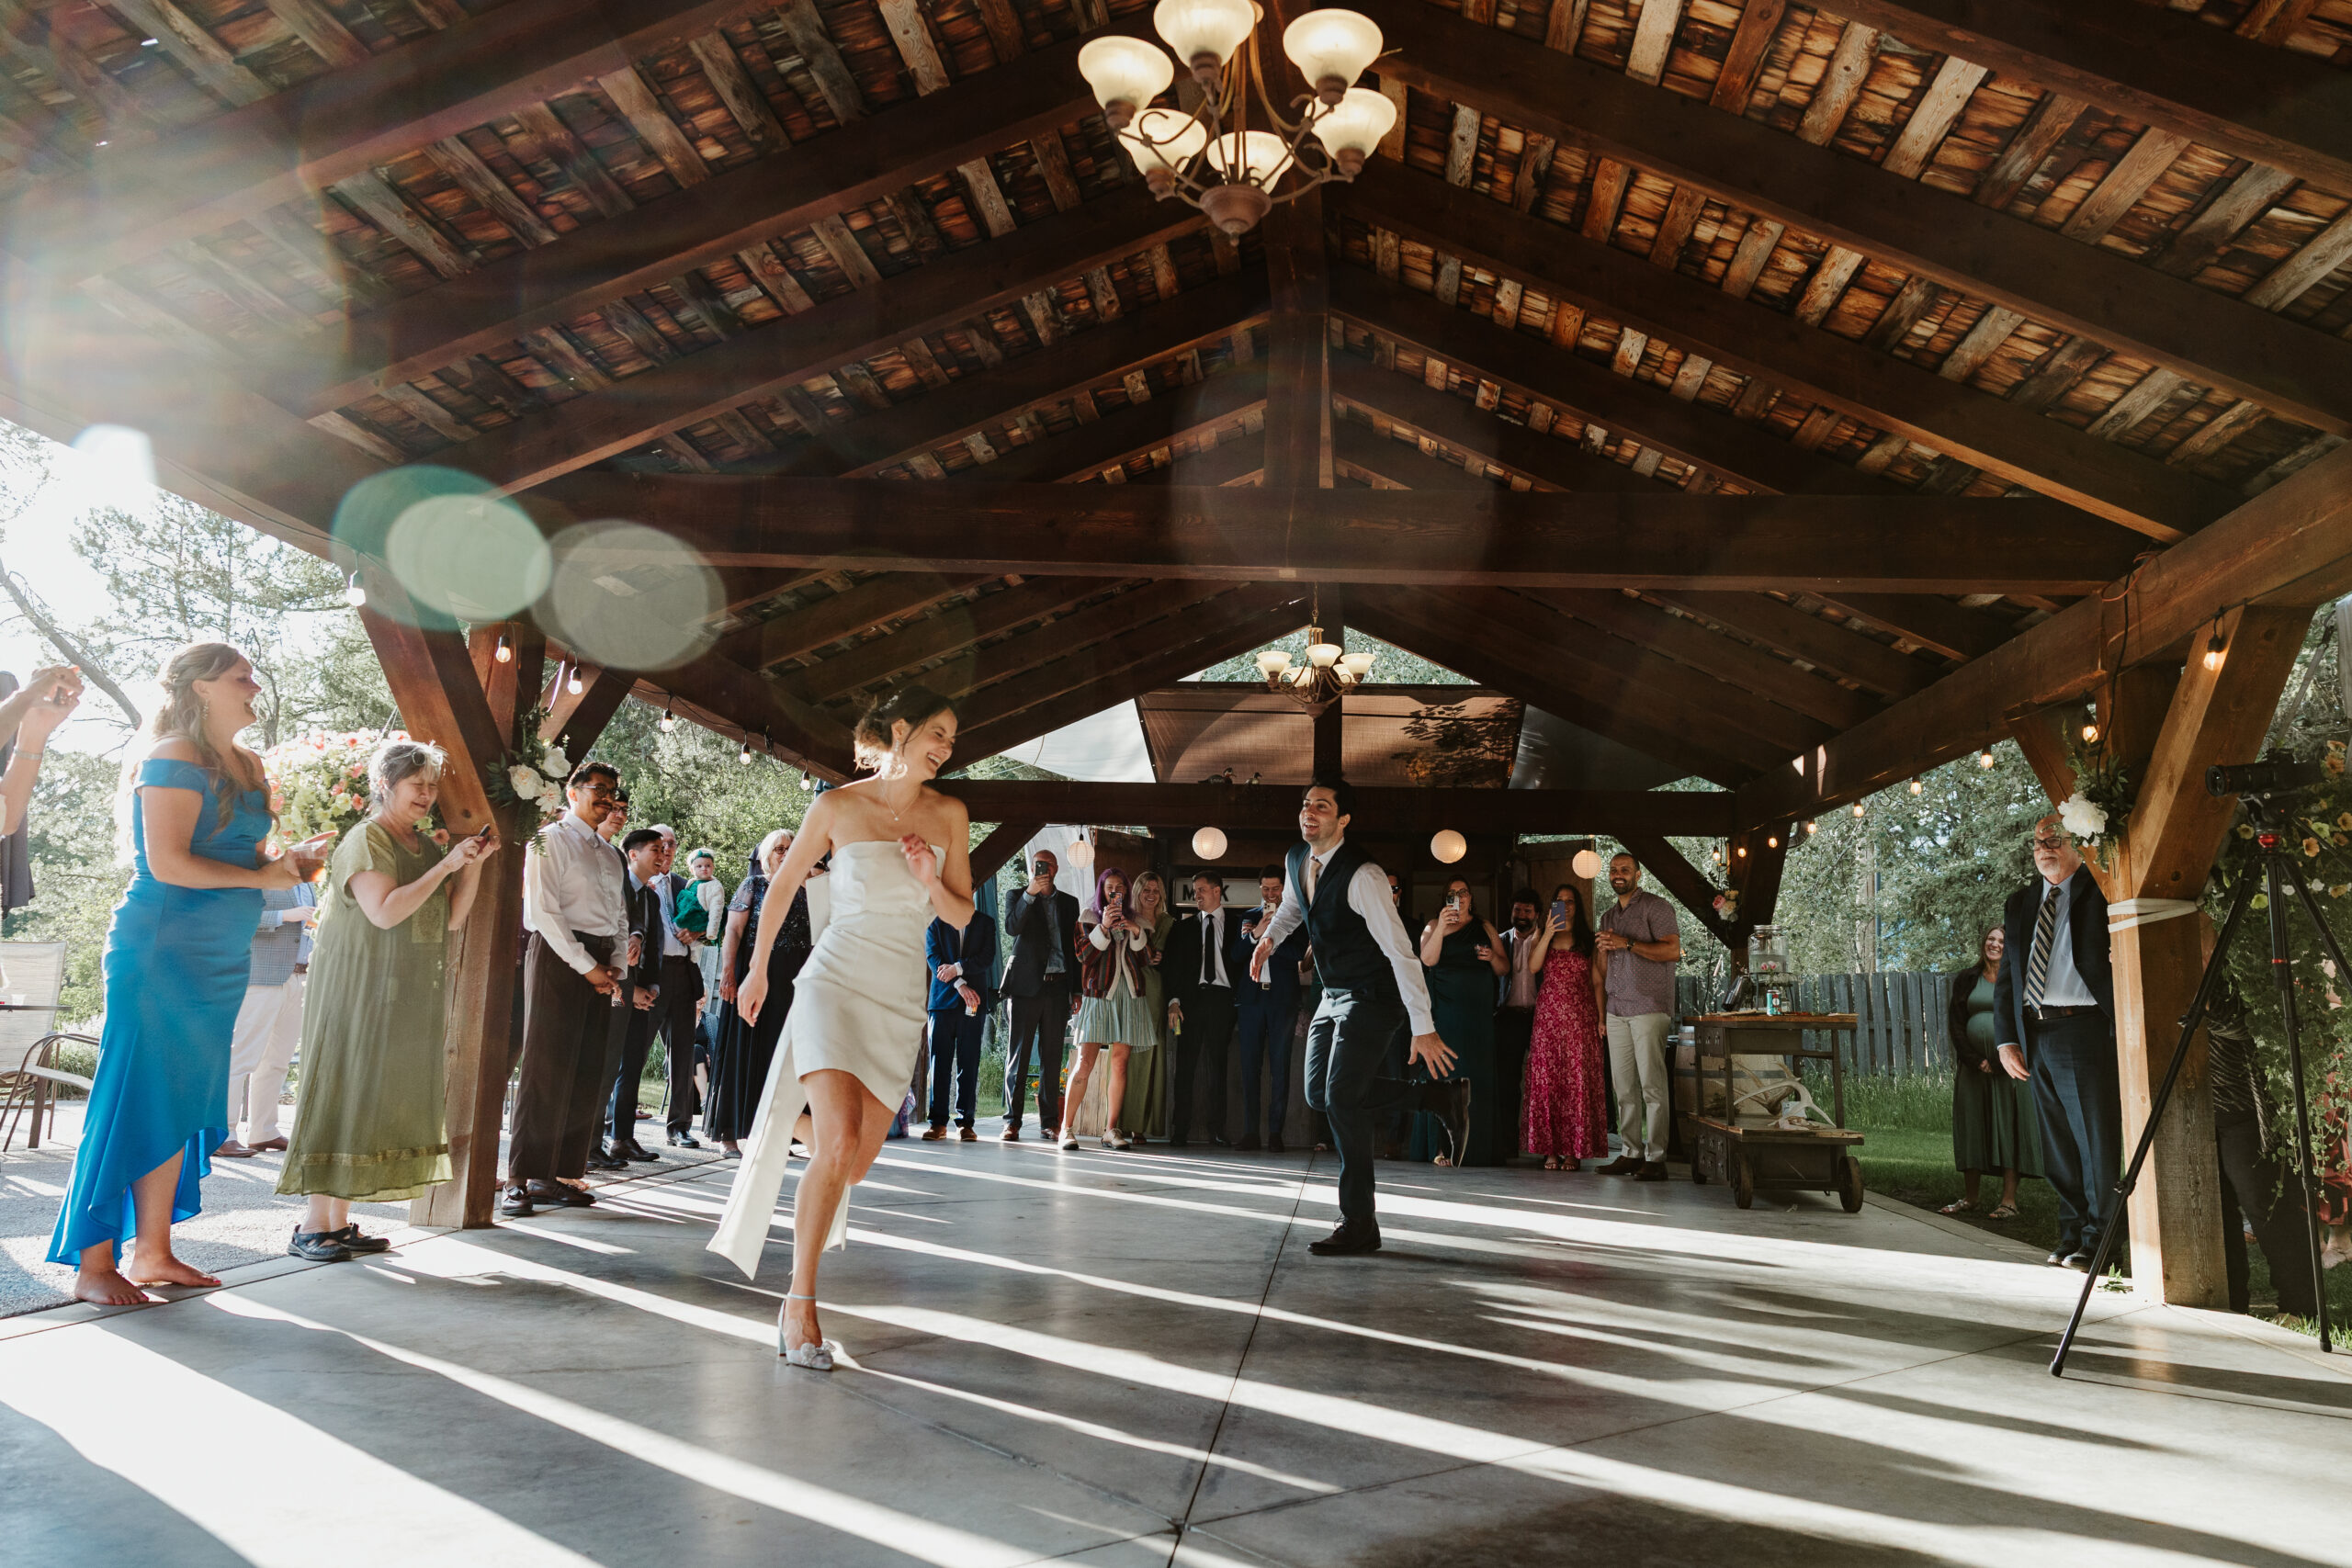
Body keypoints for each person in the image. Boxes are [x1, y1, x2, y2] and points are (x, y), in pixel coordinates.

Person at [47, 644, 332, 1304]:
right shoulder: (173, 754)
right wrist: (263, 878)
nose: (254, 685)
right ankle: (94, 1263)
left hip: (222, 954)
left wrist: (286, 864)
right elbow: (170, 863)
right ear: (202, 687)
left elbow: (246, 858)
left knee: (179, 1098)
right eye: (240, 677)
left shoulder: (248, 763)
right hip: (161, 948)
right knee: (132, 1096)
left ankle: (153, 1252)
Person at [709, 684, 975, 1371]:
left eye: (952, 739)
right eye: (937, 733)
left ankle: (786, 1125)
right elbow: (783, 884)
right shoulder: (837, 805)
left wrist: (929, 876)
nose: (946, 748)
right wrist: (757, 970)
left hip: (899, 995)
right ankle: (799, 1303)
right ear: (901, 729)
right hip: (833, 976)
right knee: (838, 1147)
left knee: (851, 1160)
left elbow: (962, 915)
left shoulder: (949, 814)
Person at [277, 739, 498, 1259]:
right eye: (416, 785)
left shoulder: (422, 845)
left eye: (432, 786)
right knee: (345, 1087)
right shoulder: (366, 838)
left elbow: (450, 920)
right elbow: (384, 912)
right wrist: (447, 867)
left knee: (374, 1094)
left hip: (401, 984)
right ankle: (312, 1227)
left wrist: (472, 864)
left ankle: (338, 1224)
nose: (427, 794)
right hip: (356, 983)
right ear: (385, 785)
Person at [1251, 779, 1466, 1256]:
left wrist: (1423, 1026)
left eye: (1322, 807)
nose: (1309, 812)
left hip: (1374, 995)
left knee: (1343, 1100)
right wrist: (1270, 939)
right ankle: (1435, 1096)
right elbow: (1293, 908)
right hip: (1332, 994)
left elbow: (1402, 953)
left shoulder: (1364, 875)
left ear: (1343, 819)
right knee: (1319, 1094)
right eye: (1305, 805)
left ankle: (1359, 1223)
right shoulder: (1296, 858)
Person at [505, 761, 628, 1218]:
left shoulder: (611, 854)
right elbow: (542, 911)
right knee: (545, 1066)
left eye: (613, 792)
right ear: (572, 792)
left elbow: (619, 916)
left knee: (585, 1068)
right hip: (559, 955)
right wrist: (586, 966)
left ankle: (554, 1175)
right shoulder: (549, 840)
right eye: (599, 789)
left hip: (601, 961)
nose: (607, 799)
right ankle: (519, 1179)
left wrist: (615, 966)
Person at [1994, 814, 2117, 1271]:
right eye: (2037, 842)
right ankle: (2071, 1235)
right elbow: (2009, 976)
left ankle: (2101, 1242)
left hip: (2084, 1030)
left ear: (2078, 845)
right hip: (2035, 1033)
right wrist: (2006, 1039)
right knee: (2057, 1146)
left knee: (2094, 1141)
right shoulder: (2021, 902)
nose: (2044, 848)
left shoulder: (2101, 890)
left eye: (2054, 839)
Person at [2200, 919, 2321, 1319]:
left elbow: (2243, 1025)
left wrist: (2200, 991)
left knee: (2268, 1210)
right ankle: (2231, 1301)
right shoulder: (2160, 966)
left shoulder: (2240, 966)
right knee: (2215, 1216)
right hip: (2190, 1111)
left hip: (2244, 1111)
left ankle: (2300, 1305)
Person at [705, 830, 812, 1158]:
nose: (785, 853)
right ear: (766, 855)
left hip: (793, 984)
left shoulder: (809, 889)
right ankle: (729, 1136)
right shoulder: (754, 885)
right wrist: (728, 973)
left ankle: (778, 1134)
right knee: (743, 1052)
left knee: (781, 1058)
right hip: (754, 978)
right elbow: (733, 930)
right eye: (779, 848)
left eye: (791, 848)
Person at [1942, 922, 2040, 1221]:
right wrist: (1976, 1060)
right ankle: (1971, 1198)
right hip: (1973, 1069)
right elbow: (1956, 1023)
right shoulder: (1968, 978)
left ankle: (2008, 1201)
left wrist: (1999, 1061)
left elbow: (2027, 1021)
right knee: (1973, 1126)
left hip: (2009, 1067)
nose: (1994, 944)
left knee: (2009, 1127)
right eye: (1990, 939)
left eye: (2001, 940)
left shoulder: (2019, 979)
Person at [1595, 852, 1681, 1181]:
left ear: (1638, 875)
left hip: (1649, 1007)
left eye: (1625, 870)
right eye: (1613, 870)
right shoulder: (1607, 916)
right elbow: (1603, 969)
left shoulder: (1656, 907)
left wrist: (1627, 943)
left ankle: (1656, 1158)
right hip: (1616, 1009)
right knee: (1623, 1087)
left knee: (1652, 1086)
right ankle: (1631, 1153)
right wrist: (1603, 951)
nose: (1618, 874)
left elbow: (1672, 950)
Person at [215, 881, 317, 1158]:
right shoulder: (260, 871)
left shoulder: (309, 882)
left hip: (300, 978)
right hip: (261, 979)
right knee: (241, 1057)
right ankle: (223, 1135)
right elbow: (236, 915)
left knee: (277, 1061)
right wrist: (285, 915)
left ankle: (264, 1131)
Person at [1415, 876, 1509, 1167]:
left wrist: (1491, 957)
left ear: (1471, 897)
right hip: (1446, 1011)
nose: (1459, 897)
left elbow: (1504, 968)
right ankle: (1441, 1148)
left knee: (1476, 1075)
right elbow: (1427, 960)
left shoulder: (1485, 926)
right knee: (1445, 1072)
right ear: (1445, 898)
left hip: (1478, 1015)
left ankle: (1477, 1148)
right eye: (1453, 893)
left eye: (1463, 892)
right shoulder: (1434, 925)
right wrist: (1442, 928)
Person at [1062, 864, 1156, 1151]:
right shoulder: (1088, 918)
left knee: (1120, 1063)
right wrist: (1103, 927)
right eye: (1109, 887)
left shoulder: (1136, 920)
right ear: (1102, 891)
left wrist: (1136, 931)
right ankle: (1066, 1128)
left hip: (1130, 996)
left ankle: (1110, 1129)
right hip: (1098, 995)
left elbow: (1147, 959)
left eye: (1120, 887)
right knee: (1084, 1063)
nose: (1115, 892)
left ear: (1126, 891)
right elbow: (1084, 956)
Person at [1524, 883, 1608, 1171]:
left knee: (1576, 1081)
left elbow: (1597, 981)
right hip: (1548, 1018)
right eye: (1559, 900)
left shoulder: (1587, 939)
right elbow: (1533, 967)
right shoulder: (1542, 934)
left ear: (1578, 906)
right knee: (1548, 1080)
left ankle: (1574, 1151)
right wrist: (1548, 932)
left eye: (1570, 901)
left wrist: (1601, 1018)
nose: (1565, 905)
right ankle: (1550, 1150)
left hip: (1580, 1017)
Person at [1162, 871, 1248, 1146]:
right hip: (1190, 1002)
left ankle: (1217, 1130)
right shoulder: (1182, 928)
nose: (1195, 895)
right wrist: (1174, 1001)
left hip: (1224, 1001)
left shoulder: (1238, 925)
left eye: (1201, 889)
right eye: (1194, 890)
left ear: (1217, 891)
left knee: (1218, 1067)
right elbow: (1172, 967)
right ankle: (1180, 1129)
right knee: (1184, 1067)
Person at [1000, 848, 1080, 1140]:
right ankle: (1012, 1122)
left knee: (1052, 1057)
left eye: (1047, 865)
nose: (1042, 869)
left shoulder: (1069, 903)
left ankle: (1049, 1122)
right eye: (1037, 865)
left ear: (1055, 869)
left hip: (1058, 987)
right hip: (1024, 988)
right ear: (1031, 869)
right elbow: (1012, 928)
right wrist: (1030, 895)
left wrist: (1077, 990)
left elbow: (1073, 948)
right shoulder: (1016, 895)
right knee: (1018, 1056)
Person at [604, 829, 669, 1164]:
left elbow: (654, 946)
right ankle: (591, 1143)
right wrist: (631, 991)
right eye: (655, 849)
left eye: (664, 848)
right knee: (608, 1062)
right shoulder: (618, 887)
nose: (663, 854)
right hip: (616, 989)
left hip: (642, 990)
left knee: (632, 1062)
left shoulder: (652, 897)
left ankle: (623, 1138)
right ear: (633, 854)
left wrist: (652, 985)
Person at [1235, 864, 1308, 1152]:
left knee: (1281, 1066)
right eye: (1265, 889)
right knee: (1249, 1068)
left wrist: (1272, 937)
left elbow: (1298, 953)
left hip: (1282, 1000)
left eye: (1276, 888)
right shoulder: (1249, 916)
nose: (1270, 894)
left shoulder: (1296, 919)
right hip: (1252, 1001)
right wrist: (1256, 935)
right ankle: (1250, 1132)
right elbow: (1236, 954)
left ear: (1284, 889)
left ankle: (1276, 1133)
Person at [644, 825, 707, 1146]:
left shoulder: (688, 885)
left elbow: (712, 924)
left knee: (683, 1052)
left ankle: (680, 1126)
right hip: (650, 976)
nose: (666, 849)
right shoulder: (640, 882)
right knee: (635, 1050)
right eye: (660, 843)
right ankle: (617, 1125)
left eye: (671, 843)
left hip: (683, 975)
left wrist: (698, 932)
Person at [922, 897, 997, 1140]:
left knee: (969, 1062)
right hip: (942, 1003)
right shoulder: (935, 921)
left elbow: (987, 958)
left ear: (973, 890)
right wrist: (959, 983)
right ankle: (937, 1123)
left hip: (973, 1003)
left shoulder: (985, 923)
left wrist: (958, 968)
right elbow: (933, 958)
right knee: (939, 1063)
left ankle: (966, 1123)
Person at [1121, 870, 1174, 1142]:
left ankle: (1140, 1124)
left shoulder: (1168, 922)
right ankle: (1117, 1121)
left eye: (1156, 891)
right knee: (1124, 1053)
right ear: (1137, 892)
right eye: (1146, 890)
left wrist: (1163, 959)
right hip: (1128, 988)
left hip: (1154, 991)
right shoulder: (1126, 918)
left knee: (1150, 1054)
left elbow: (1176, 960)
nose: (1151, 895)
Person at [1492, 887, 1545, 1159]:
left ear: (1537, 914)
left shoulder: (1547, 941)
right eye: (1517, 910)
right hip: (1509, 1018)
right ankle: (1507, 1143)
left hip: (1541, 1019)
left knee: (1544, 1083)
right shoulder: (1500, 941)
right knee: (1507, 1083)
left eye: (1527, 910)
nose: (1521, 915)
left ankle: (1544, 1146)